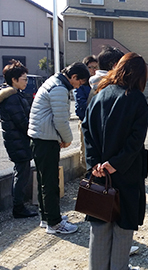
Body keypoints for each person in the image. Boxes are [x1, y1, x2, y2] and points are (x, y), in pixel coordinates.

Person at [82, 52, 148, 270]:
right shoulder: (138, 100)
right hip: (126, 174)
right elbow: (135, 141)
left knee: (99, 226)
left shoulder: (98, 93)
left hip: (98, 173)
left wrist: (95, 163)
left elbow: (86, 130)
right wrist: (116, 163)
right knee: (122, 229)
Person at [28, 62, 90, 233]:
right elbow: (61, 120)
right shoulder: (59, 89)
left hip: (40, 137)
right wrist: (67, 139)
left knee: (44, 180)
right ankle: (54, 223)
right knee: (50, 182)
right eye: (80, 82)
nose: (79, 86)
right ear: (74, 77)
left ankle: (46, 216)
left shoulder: (53, 82)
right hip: (45, 139)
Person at [0, 60, 38, 218]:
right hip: (18, 141)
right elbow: (22, 122)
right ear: (14, 80)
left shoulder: (12, 94)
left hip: (16, 141)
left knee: (20, 172)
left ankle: (19, 206)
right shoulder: (12, 97)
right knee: (22, 174)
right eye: (24, 78)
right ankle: (18, 208)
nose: (26, 81)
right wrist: (34, 130)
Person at [73, 55, 98, 169]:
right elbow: (80, 106)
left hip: (98, 123)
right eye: (90, 67)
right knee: (86, 149)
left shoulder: (100, 82)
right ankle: (86, 175)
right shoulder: (80, 84)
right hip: (85, 121)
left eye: (96, 67)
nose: (94, 70)